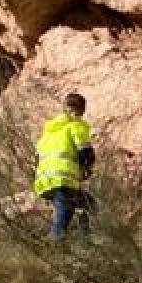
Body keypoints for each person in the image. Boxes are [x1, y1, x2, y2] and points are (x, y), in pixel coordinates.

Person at [33, 92, 96, 238]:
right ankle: (54, 247)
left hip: (44, 181)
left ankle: (84, 241)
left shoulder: (49, 131)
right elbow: (86, 153)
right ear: (81, 110)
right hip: (63, 181)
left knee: (87, 204)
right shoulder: (76, 126)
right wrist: (86, 169)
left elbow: (37, 158)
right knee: (60, 225)